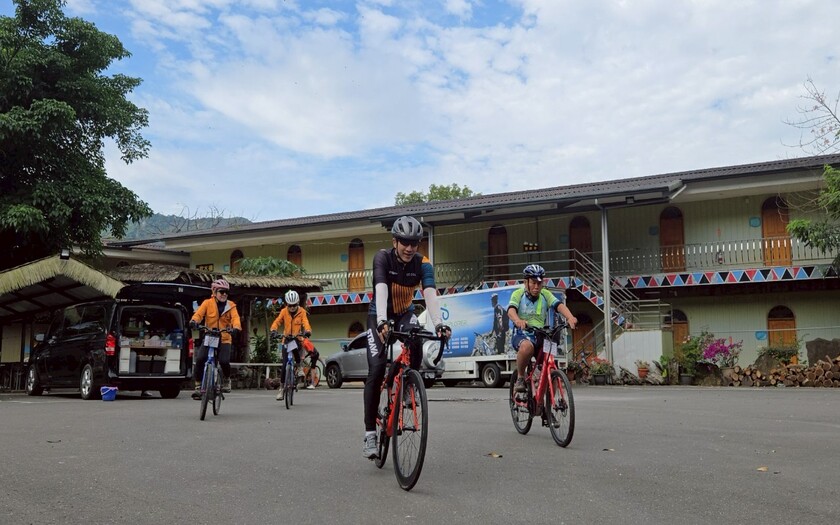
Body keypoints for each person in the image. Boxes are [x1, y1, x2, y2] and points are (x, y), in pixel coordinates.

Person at [362, 216, 451, 459]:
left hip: (404, 313)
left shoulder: (423, 264)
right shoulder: (383, 257)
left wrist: (440, 323)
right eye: (405, 243)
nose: (410, 248)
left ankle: (405, 386)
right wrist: (381, 321)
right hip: (378, 315)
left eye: (414, 243)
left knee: (417, 341)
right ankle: (370, 433)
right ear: (395, 241)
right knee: (377, 367)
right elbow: (380, 290)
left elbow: (430, 294)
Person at [508, 264, 577, 393]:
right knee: (527, 347)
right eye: (533, 283)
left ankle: (548, 408)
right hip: (523, 333)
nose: (536, 287)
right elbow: (511, 310)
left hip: (542, 334)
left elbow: (559, 305)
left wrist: (570, 317)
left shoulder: (545, 294)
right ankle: (520, 378)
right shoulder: (518, 294)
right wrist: (517, 320)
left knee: (551, 369)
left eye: (539, 283)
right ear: (526, 282)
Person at [189, 279, 241, 400]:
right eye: (221, 292)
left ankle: (227, 380)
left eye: (226, 292)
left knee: (223, 361)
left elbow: (236, 319)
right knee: (201, 359)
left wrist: (236, 328)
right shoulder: (207, 303)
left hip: (224, 337)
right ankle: (198, 386)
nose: (224, 294)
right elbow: (198, 315)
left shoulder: (231, 305)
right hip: (210, 336)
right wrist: (194, 321)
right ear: (214, 291)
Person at [270, 290, 312, 401]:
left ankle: (299, 366)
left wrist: (307, 331)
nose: (292, 308)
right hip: (286, 339)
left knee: (297, 354)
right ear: (286, 305)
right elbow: (277, 321)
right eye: (290, 305)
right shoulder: (284, 312)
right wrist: (273, 330)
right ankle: (282, 388)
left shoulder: (302, 312)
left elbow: (305, 322)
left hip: (297, 338)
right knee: (284, 365)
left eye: (294, 305)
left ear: (297, 303)